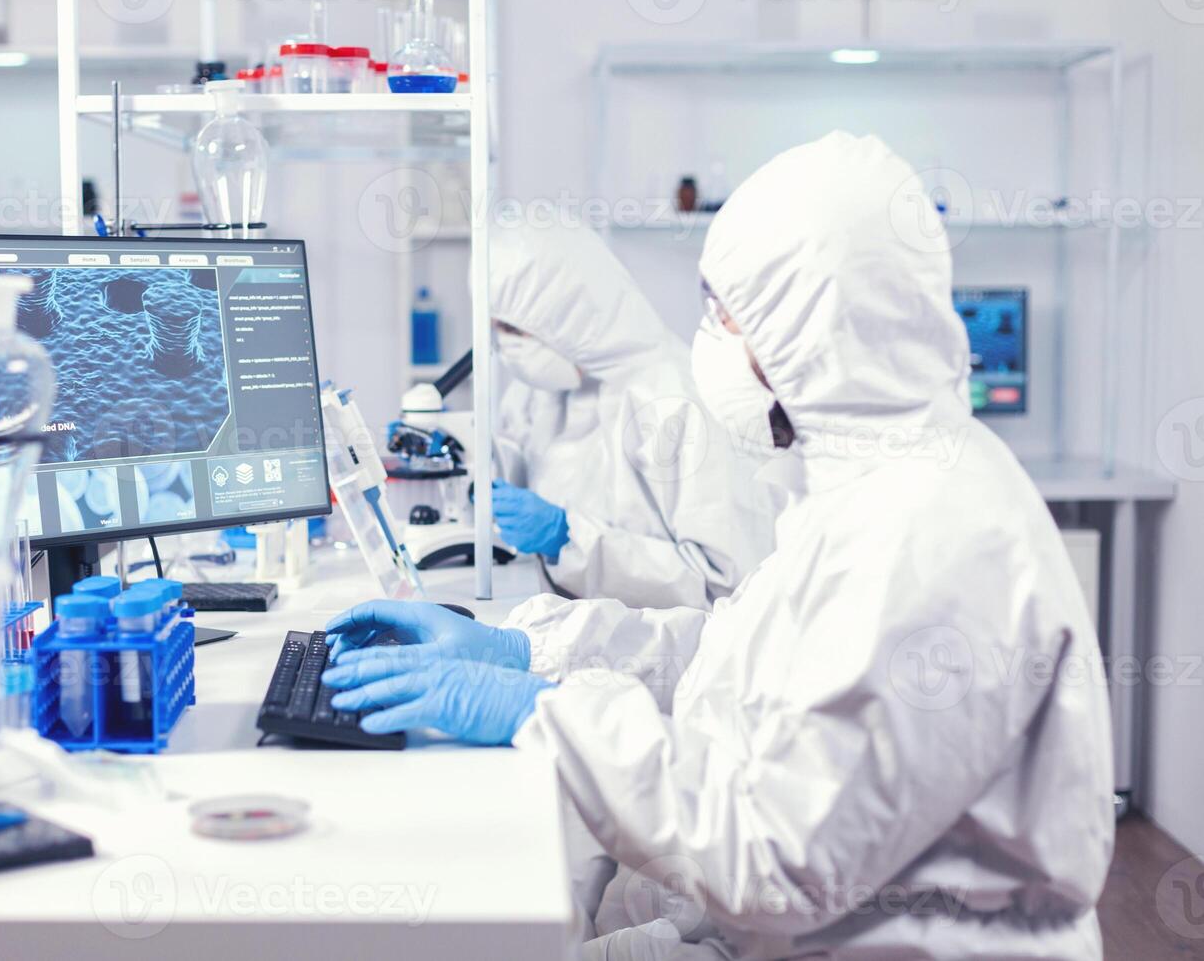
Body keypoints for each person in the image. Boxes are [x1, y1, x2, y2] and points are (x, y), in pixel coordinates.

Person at [323, 132, 1115, 958]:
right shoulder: (864, 486)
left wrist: (544, 716)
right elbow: (734, 651)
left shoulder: (932, 536)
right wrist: (525, 649)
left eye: (728, 315)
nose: (710, 339)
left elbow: (774, 859)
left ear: (813, 329)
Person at [488, 222, 772, 609]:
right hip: (577, 629)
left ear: (564, 317)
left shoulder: (676, 401)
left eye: (512, 328)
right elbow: (517, 462)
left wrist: (569, 539)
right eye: (494, 328)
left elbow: (723, 585)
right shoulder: (540, 390)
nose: (504, 344)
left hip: (668, 655)